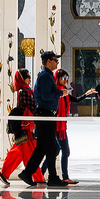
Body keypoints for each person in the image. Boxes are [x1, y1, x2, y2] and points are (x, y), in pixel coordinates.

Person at [19, 51, 66, 187]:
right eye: (55, 60)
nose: (57, 62)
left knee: (43, 147)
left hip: (46, 114)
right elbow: (46, 96)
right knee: (52, 147)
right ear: (48, 61)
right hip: (45, 114)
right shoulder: (45, 76)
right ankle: (52, 177)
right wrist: (60, 93)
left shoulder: (47, 75)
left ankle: (28, 173)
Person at [0, 68, 36, 186]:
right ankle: (36, 176)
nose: (29, 78)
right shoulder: (24, 92)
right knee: (29, 151)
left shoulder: (27, 90)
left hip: (27, 125)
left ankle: (4, 173)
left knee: (18, 151)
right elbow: (31, 105)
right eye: (27, 76)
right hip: (26, 125)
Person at [53, 67, 79, 186]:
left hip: (61, 127)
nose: (65, 80)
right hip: (56, 127)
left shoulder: (64, 92)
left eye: (66, 78)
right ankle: (64, 177)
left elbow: (76, 100)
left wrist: (87, 94)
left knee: (58, 151)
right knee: (62, 151)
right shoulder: (56, 92)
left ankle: (40, 173)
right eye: (63, 78)